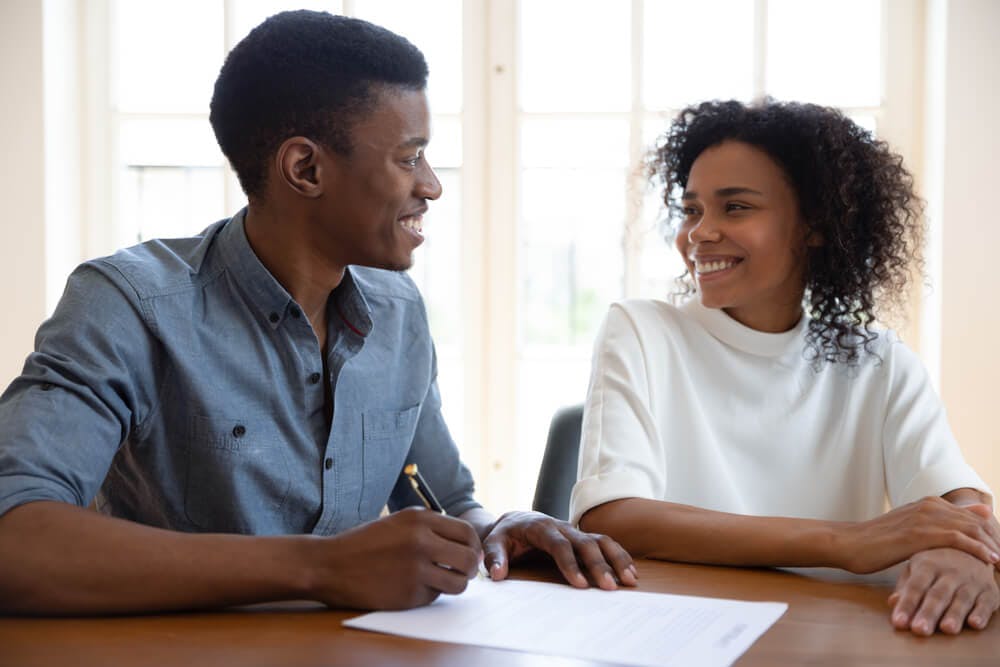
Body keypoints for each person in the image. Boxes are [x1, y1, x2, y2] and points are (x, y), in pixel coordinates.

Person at [0, 10, 635, 615]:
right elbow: (15, 540)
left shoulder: (397, 311)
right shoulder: (128, 305)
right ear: (305, 168)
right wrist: (320, 568)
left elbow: (442, 499)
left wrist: (499, 527)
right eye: (410, 157)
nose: (432, 185)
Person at [571, 99, 1000, 636]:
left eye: (736, 208)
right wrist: (850, 542)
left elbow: (960, 497)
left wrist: (965, 554)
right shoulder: (641, 331)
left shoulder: (878, 361)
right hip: (682, 635)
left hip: (830, 640)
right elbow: (613, 517)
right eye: (692, 209)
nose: (700, 232)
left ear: (815, 225)